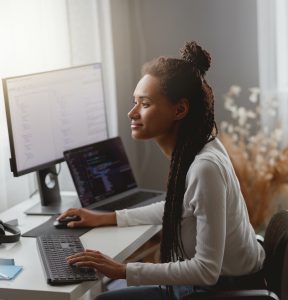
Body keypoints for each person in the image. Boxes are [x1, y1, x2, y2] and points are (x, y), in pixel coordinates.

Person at [58, 41, 265, 300]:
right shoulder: (201, 145)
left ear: (179, 110)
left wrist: (122, 270)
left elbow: (206, 271)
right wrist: (107, 217)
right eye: (135, 102)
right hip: (215, 284)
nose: (131, 113)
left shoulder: (205, 167)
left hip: (221, 290)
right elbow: (179, 206)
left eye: (144, 104)